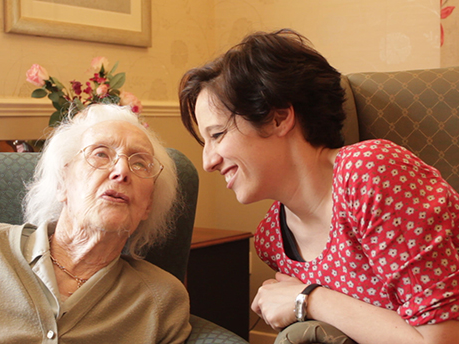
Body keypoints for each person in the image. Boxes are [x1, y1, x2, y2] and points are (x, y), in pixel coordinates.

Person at [179, 29, 459, 344]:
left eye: (217, 135)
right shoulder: (273, 239)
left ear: (278, 118)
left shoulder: (370, 173)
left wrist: (310, 298)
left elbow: (441, 339)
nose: (208, 162)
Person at [0, 104, 192, 343]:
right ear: (62, 183)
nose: (121, 171)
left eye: (139, 162)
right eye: (101, 154)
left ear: (147, 205)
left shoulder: (161, 299)